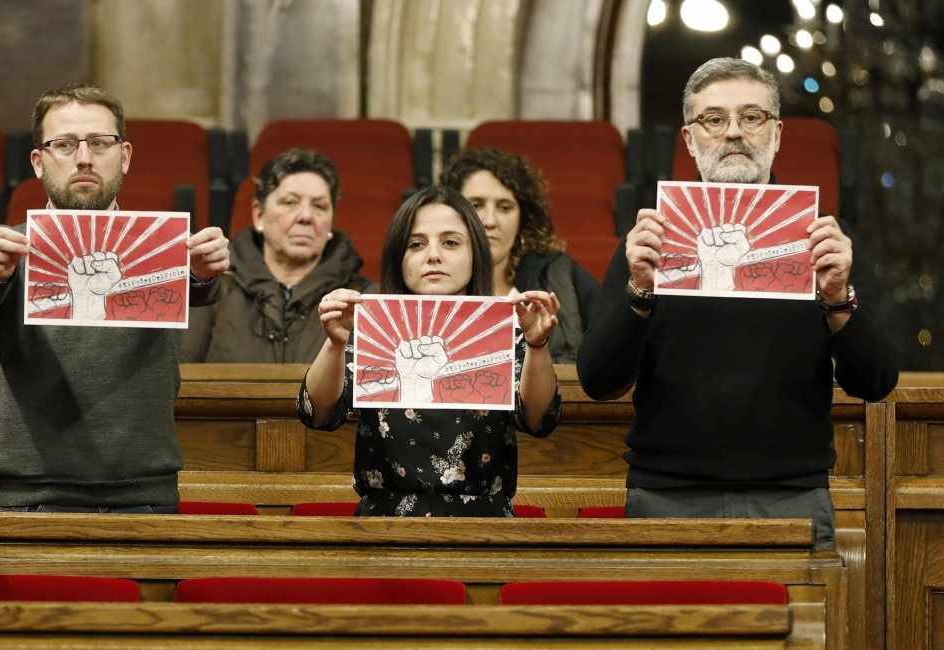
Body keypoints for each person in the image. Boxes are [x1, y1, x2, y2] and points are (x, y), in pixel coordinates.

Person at [576, 58, 898, 549]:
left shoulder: (820, 243)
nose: (733, 133)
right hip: (667, 497)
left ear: (777, 133)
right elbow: (597, 380)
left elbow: (875, 381)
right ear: (689, 139)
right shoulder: (649, 244)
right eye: (714, 119)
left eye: (752, 117)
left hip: (791, 497)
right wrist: (640, 289)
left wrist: (837, 298)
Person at [0, 83, 230, 512]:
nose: (83, 158)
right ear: (38, 162)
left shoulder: (164, 249)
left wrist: (203, 270)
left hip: (147, 494)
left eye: (100, 143)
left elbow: (202, 287)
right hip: (33, 495)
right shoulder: (5, 247)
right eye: (64, 144)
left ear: (124, 156)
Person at [297, 186, 561, 517]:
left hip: (485, 526)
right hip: (384, 525)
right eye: (416, 244)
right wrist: (336, 342)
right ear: (399, 258)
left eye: (450, 243)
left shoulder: (503, 331)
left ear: (475, 255)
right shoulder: (371, 329)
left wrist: (536, 345)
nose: (433, 255)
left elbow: (540, 420)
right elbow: (317, 414)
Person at [183, 148, 372, 363]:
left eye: (320, 206)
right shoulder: (211, 290)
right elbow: (179, 376)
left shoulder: (359, 298)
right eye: (290, 202)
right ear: (258, 214)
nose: (306, 216)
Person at [440, 147, 599, 364]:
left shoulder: (560, 274)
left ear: (522, 220)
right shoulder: (426, 279)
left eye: (505, 208)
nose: (490, 221)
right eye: (476, 205)